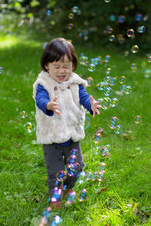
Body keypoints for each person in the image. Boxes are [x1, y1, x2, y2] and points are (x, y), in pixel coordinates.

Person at [32, 38, 101, 206]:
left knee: (76, 167)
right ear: (47, 65)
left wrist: (90, 104)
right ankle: (55, 197)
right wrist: (47, 105)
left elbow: (83, 97)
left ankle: (69, 187)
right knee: (55, 172)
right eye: (57, 66)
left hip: (72, 135)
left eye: (66, 66)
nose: (62, 71)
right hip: (52, 136)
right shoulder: (43, 83)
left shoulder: (75, 82)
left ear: (73, 65)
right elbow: (39, 99)